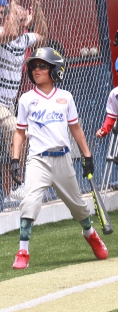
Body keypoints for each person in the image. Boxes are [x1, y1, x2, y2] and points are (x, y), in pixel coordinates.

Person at [11, 47, 108, 269]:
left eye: (43, 66)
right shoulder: (26, 99)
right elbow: (19, 131)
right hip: (38, 160)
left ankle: (90, 233)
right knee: (30, 202)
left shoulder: (66, 97)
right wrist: (15, 159)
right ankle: (23, 251)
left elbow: (76, 128)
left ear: (55, 70)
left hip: (63, 159)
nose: (37, 70)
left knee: (78, 207)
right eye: (34, 66)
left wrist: (87, 155)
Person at [0, 0, 47, 201]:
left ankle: (10, 194)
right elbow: (10, 33)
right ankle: (19, 185)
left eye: (1, 12)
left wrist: (38, 7)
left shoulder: (22, 39)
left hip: (7, 104)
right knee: (18, 131)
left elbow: (43, 37)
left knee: (12, 148)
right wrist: (14, 1)